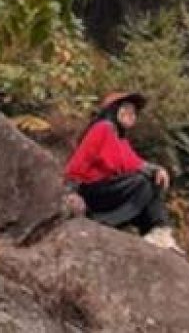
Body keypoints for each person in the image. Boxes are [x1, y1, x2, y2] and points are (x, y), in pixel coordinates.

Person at [63, 91, 181, 252]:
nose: (131, 115)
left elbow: (134, 162)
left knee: (151, 180)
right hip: (93, 193)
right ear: (113, 109)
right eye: (126, 109)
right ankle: (151, 228)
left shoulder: (120, 139)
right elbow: (84, 160)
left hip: (108, 190)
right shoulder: (103, 128)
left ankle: (158, 229)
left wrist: (156, 169)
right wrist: (71, 190)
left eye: (134, 112)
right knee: (142, 181)